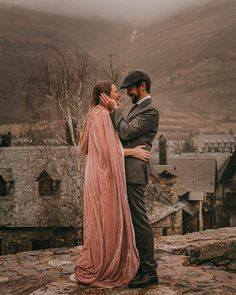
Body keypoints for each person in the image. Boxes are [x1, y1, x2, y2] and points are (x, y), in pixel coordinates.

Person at [70, 81, 152, 288]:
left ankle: (102, 258)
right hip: (102, 175)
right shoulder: (102, 116)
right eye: (116, 92)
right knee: (108, 218)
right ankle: (107, 264)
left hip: (96, 173)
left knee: (102, 219)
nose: (119, 95)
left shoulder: (94, 114)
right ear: (104, 96)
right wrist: (133, 152)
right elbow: (108, 150)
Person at [100, 69, 159, 288]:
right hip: (125, 168)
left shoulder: (151, 111)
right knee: (130, 222)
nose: (127, 93)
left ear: (142, 86)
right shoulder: (137, 108)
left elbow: (125, 133)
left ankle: (149, 271)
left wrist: (114, 109)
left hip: (134, 173)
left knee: (139, 221)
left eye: (130, 89)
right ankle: (135, 265)